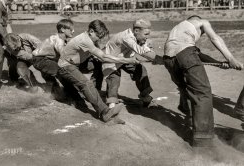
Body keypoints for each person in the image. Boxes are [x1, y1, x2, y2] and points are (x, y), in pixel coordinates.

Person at [163, 15, 243, 147]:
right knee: (202, 93)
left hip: (169, 59)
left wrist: (218, 63)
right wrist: (231, 59)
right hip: (186, 55)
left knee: (186, 88)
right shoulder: (201, 22)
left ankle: (188, 113)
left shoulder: (178, 30)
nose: (202, 34)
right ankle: (203, 140)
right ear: (196, 20)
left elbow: (196, 54)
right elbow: (214, 38)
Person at [57, 19, 139, 123]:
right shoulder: (85, 40)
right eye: (98, 36)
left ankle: (95, 94)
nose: (99, 39)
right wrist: (127, 60)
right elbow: (104, 57)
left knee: (98, 65)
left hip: (76, 63)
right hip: (65, 66)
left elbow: (101, 56)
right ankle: (104, 112)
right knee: (85, 84)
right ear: (91, 31)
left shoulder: (91, 39)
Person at [102, 19, 161, 109]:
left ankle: (145, 97)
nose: (147, 37)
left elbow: (144, 48)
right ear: (136, 31)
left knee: (140, 70)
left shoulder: (137, 37)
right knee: (114, 79)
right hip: (111, 60)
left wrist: (153, 56)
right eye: (145, 34)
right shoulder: (127, 37)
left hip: (126, 58)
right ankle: (111, 104)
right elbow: (142, 51)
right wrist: (163, 60)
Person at [0, 0, 14, 93]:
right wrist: (5, 37)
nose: (13, 2)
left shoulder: (6, 5)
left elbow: (7, 23)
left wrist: (10, 37)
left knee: (9, 51)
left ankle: (14, 76)